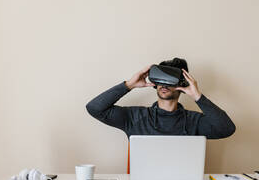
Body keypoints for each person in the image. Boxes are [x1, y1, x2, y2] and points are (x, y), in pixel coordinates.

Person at [86, 58, 236, 139]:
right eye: (161, 79)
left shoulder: (194, 121)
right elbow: (94, 108)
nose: (164, 84)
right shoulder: (135, 117)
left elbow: (227, 129)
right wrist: (129, 85)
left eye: (170, 79)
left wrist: (197, 96)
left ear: (183, 84)